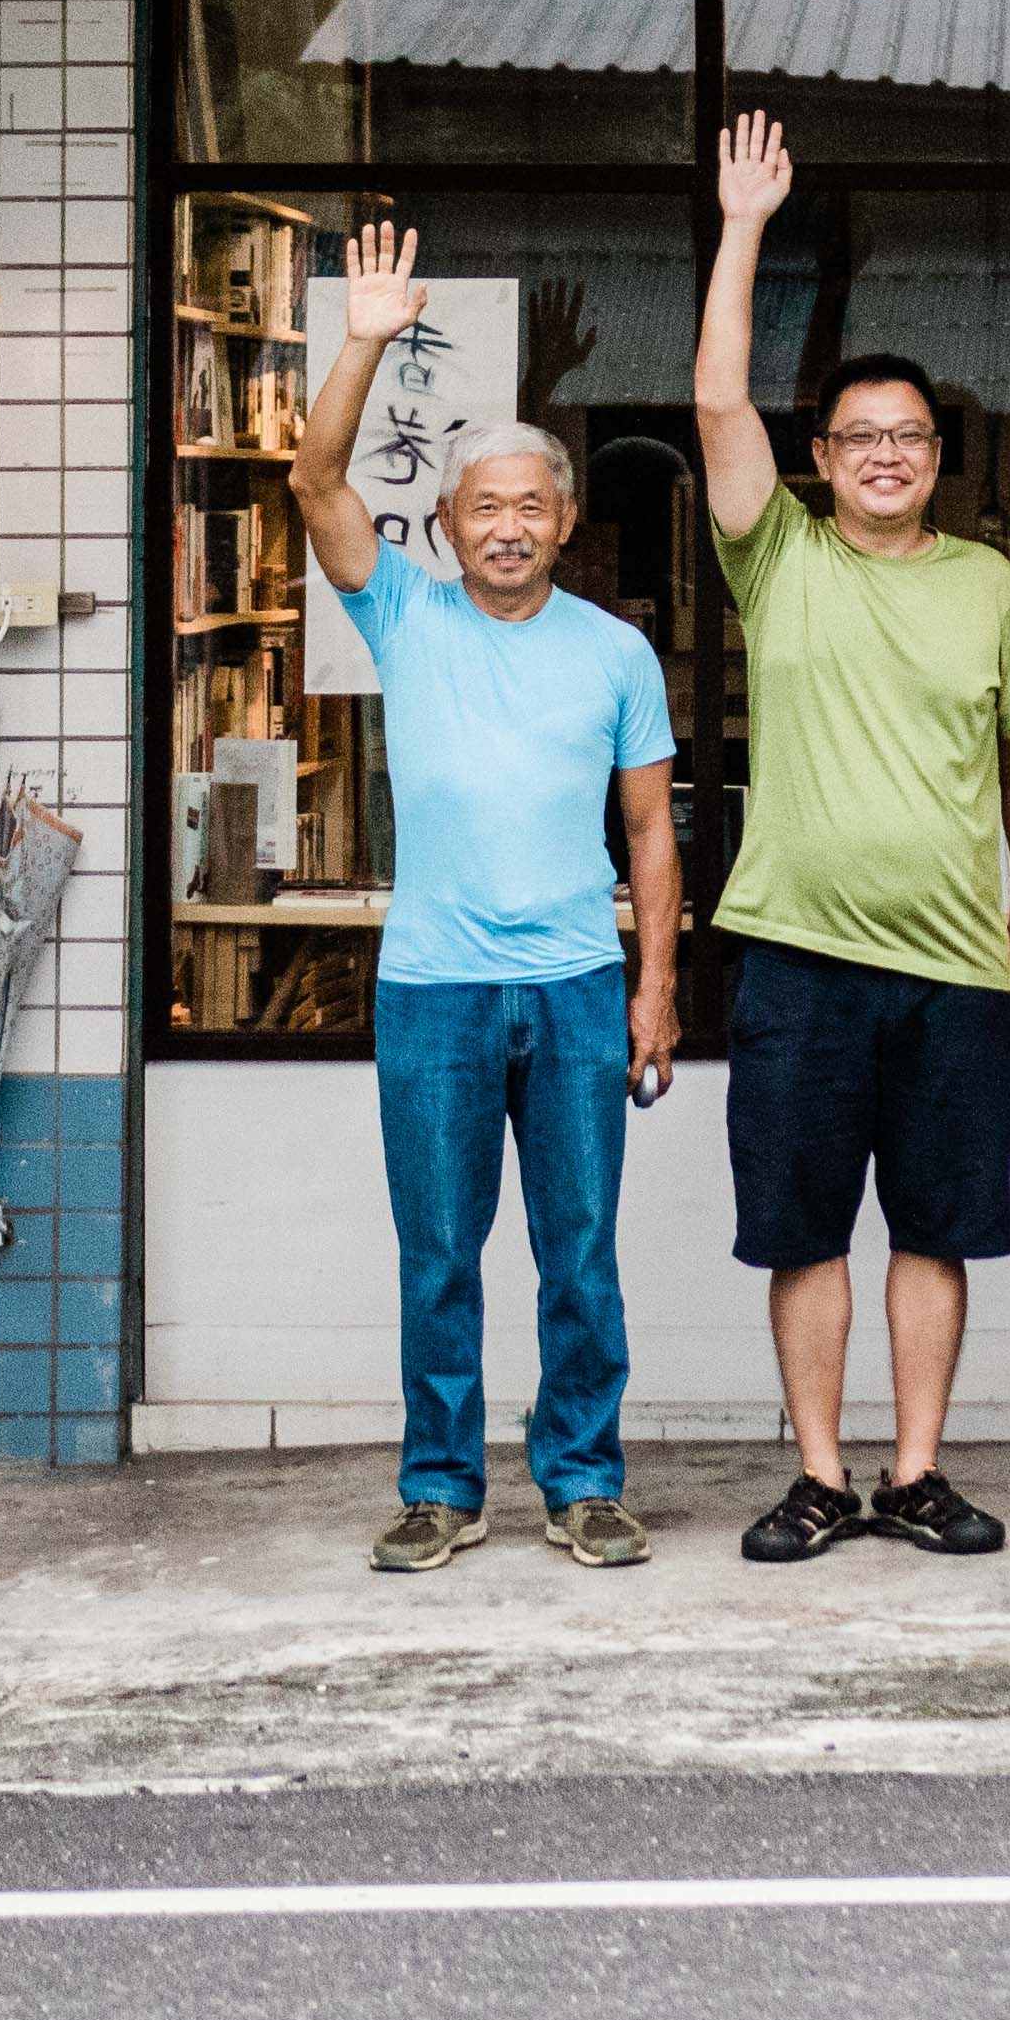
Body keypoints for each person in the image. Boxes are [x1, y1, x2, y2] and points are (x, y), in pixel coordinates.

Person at [691, 108, 1010, 1567]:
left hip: (956, 966)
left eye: (911, 436)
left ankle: (915, 1473)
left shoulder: (989, 583)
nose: (888, 454)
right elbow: (718, 399)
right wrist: (745, 228)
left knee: (935, 1229)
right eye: (862, 437)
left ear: (938, 455)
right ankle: (818, 1476)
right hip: (795, 957)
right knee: (801, 1231)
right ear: (822, 457)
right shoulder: (775, 556)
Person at [290, 221, 682, 1579]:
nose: (507, 526)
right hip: (434, 989)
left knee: (580, 1254)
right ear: (447, 524)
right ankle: (440, 1488)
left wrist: (656, 989)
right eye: (484, 508)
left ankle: (583, 1480)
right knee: (440, 1253)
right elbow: (315, 478)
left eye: (531, 507)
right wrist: (364, 340)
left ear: (565, 522)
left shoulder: (618, 653)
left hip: (576, 985)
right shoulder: (404, 614)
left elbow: (651, 830)